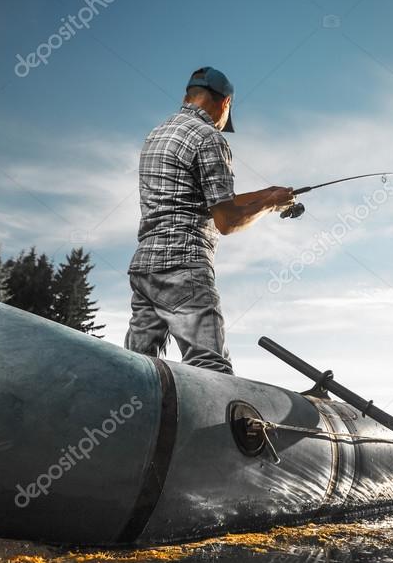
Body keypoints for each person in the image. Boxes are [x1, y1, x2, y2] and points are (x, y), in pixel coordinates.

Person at [125, 67, 295, 374]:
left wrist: (267, 192)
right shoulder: (209, 138)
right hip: (183, 265)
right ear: (225, 103)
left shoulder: (158, 134)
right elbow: (226, 221)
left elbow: (203, 199)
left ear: (187, 96)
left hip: (144, 269)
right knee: (210, 370)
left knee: (139, 369)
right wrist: (269, 205)